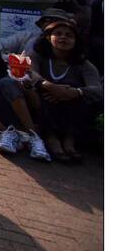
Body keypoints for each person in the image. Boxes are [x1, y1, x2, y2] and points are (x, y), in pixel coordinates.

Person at [22, 15, 103, 163]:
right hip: (42, 103)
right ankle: (51, 138)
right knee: (40, 94)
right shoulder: (37, 55)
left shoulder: (84, 64)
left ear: (76, 41)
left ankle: (69, 140)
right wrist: (49, 86)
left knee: (78, 97)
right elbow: (28, 72)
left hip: (71, 106)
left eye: (69, 35)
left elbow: (97, 89)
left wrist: (74, 92)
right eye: (58, 34)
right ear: (48, 38)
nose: (63, 38)